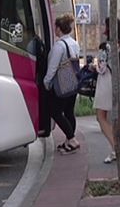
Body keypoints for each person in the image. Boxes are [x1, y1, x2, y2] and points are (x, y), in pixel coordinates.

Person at [93, 17, 120, 163]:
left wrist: (93, 66)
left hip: (106, 83)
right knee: (119, 115)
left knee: (100, 116)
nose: (102, 26)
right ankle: (119, 147)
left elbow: (101, 68)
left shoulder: (105, 46)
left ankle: (116, 147)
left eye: (104, 24)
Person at [43, 14, 81, 154]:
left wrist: (46, 82)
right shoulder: (74, 43)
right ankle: (68, 141)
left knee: (55, 111)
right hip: (72, 80)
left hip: (61, 81)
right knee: (69, 111)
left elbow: (53, 67)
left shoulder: (59, 46)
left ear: (58, 29)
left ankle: (72, 139)